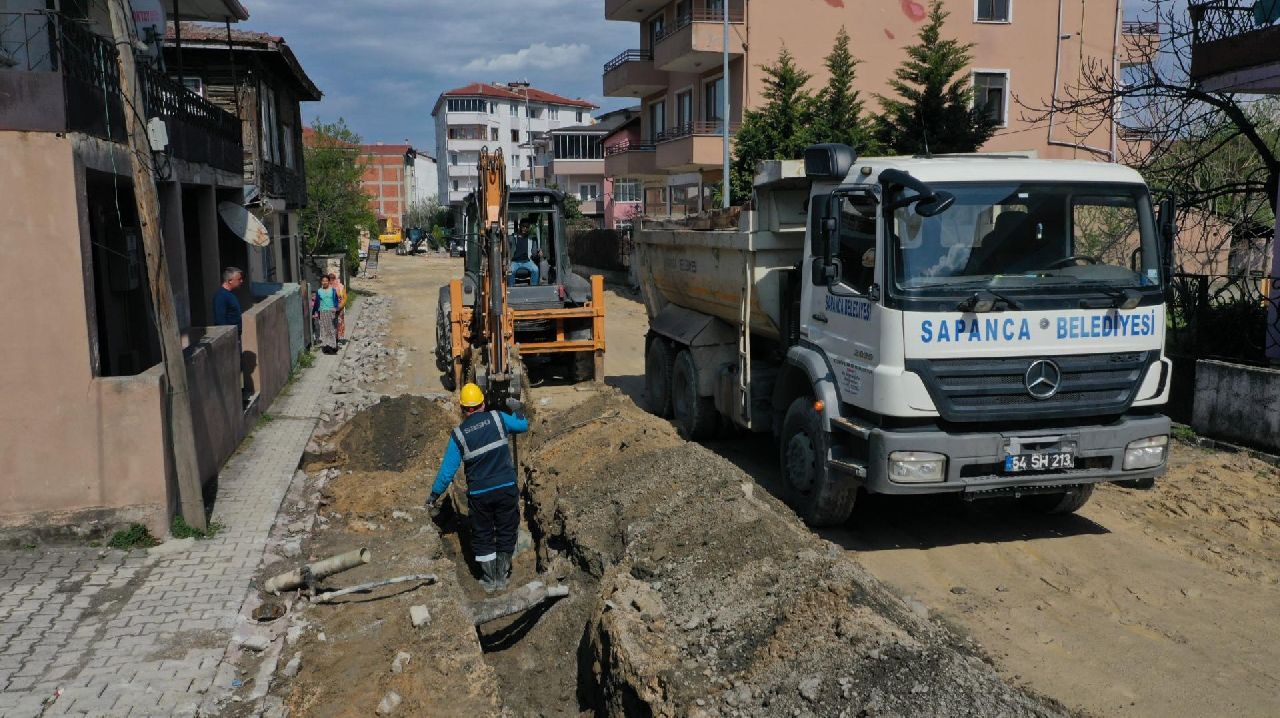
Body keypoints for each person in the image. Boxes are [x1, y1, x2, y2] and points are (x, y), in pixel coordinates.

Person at [427, 383, 528, 593]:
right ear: (483, 403)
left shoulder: (459, 435)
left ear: (463, 409)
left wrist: (435, 495)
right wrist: (516, 409)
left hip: (480, 495)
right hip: (506, 488)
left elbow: (447, 472)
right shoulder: (499, 418)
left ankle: (490, 579)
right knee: (506, 529)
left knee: (482, 534)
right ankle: (502, 575)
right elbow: (522, 425)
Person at [312, 275, 341, 354]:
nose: (324, 282)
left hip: (331, 312)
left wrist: (336, 308)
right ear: (321, 282)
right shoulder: (319, 291)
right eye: (323, 281)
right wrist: (314, 312)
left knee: (331, 329)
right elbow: (316, 302)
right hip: (322, 312)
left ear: (329, 282)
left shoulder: (333, 290)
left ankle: (332, 346)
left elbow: (336, 300)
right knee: (324, 330)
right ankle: (326, 346)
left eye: (326, 281)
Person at [509, 217, 540, 286]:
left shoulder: (531, 239)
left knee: (535, 269)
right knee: (510, 271)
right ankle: (510, 289)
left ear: (529, 228)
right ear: (520, 226)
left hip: (527, 261)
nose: (525, 228)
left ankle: (533, 288)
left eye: (527, 227)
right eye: (523, 226)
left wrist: (538, 254)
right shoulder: (512, 237)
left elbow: (534, 253)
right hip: (514, 262)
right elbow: (506, 247)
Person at [213, 267, 244, 336]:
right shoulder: (221, 296)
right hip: (229, 338)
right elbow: (220, 321)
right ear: (230, 280)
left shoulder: (230, 294)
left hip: (236, 336)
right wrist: (228, 336)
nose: (241, 281)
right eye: (239, 279)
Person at [328, 272, 348, 343]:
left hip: (339, 308)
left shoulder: (340, 286)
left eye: (333, 279)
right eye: (330, 279)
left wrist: (340, 306)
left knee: (339, 322)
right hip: (329, 308)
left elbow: (345, 297)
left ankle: (338, 338)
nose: (331, 281)